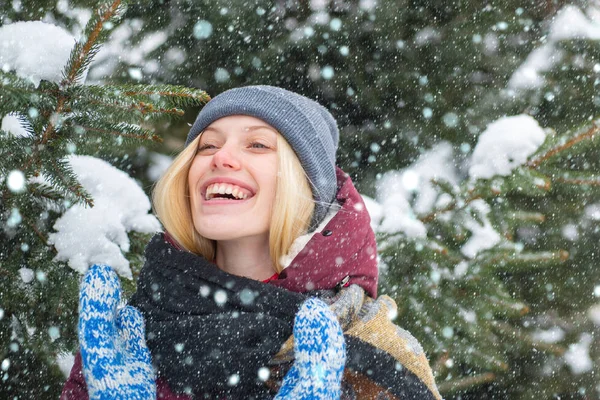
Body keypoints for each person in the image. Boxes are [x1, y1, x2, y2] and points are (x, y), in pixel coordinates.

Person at [62, 86, 442, 399]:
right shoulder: (128, 341)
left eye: (258, 145)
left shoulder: (370, 353)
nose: (221, 157)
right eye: (207, 146)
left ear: (305, 187)